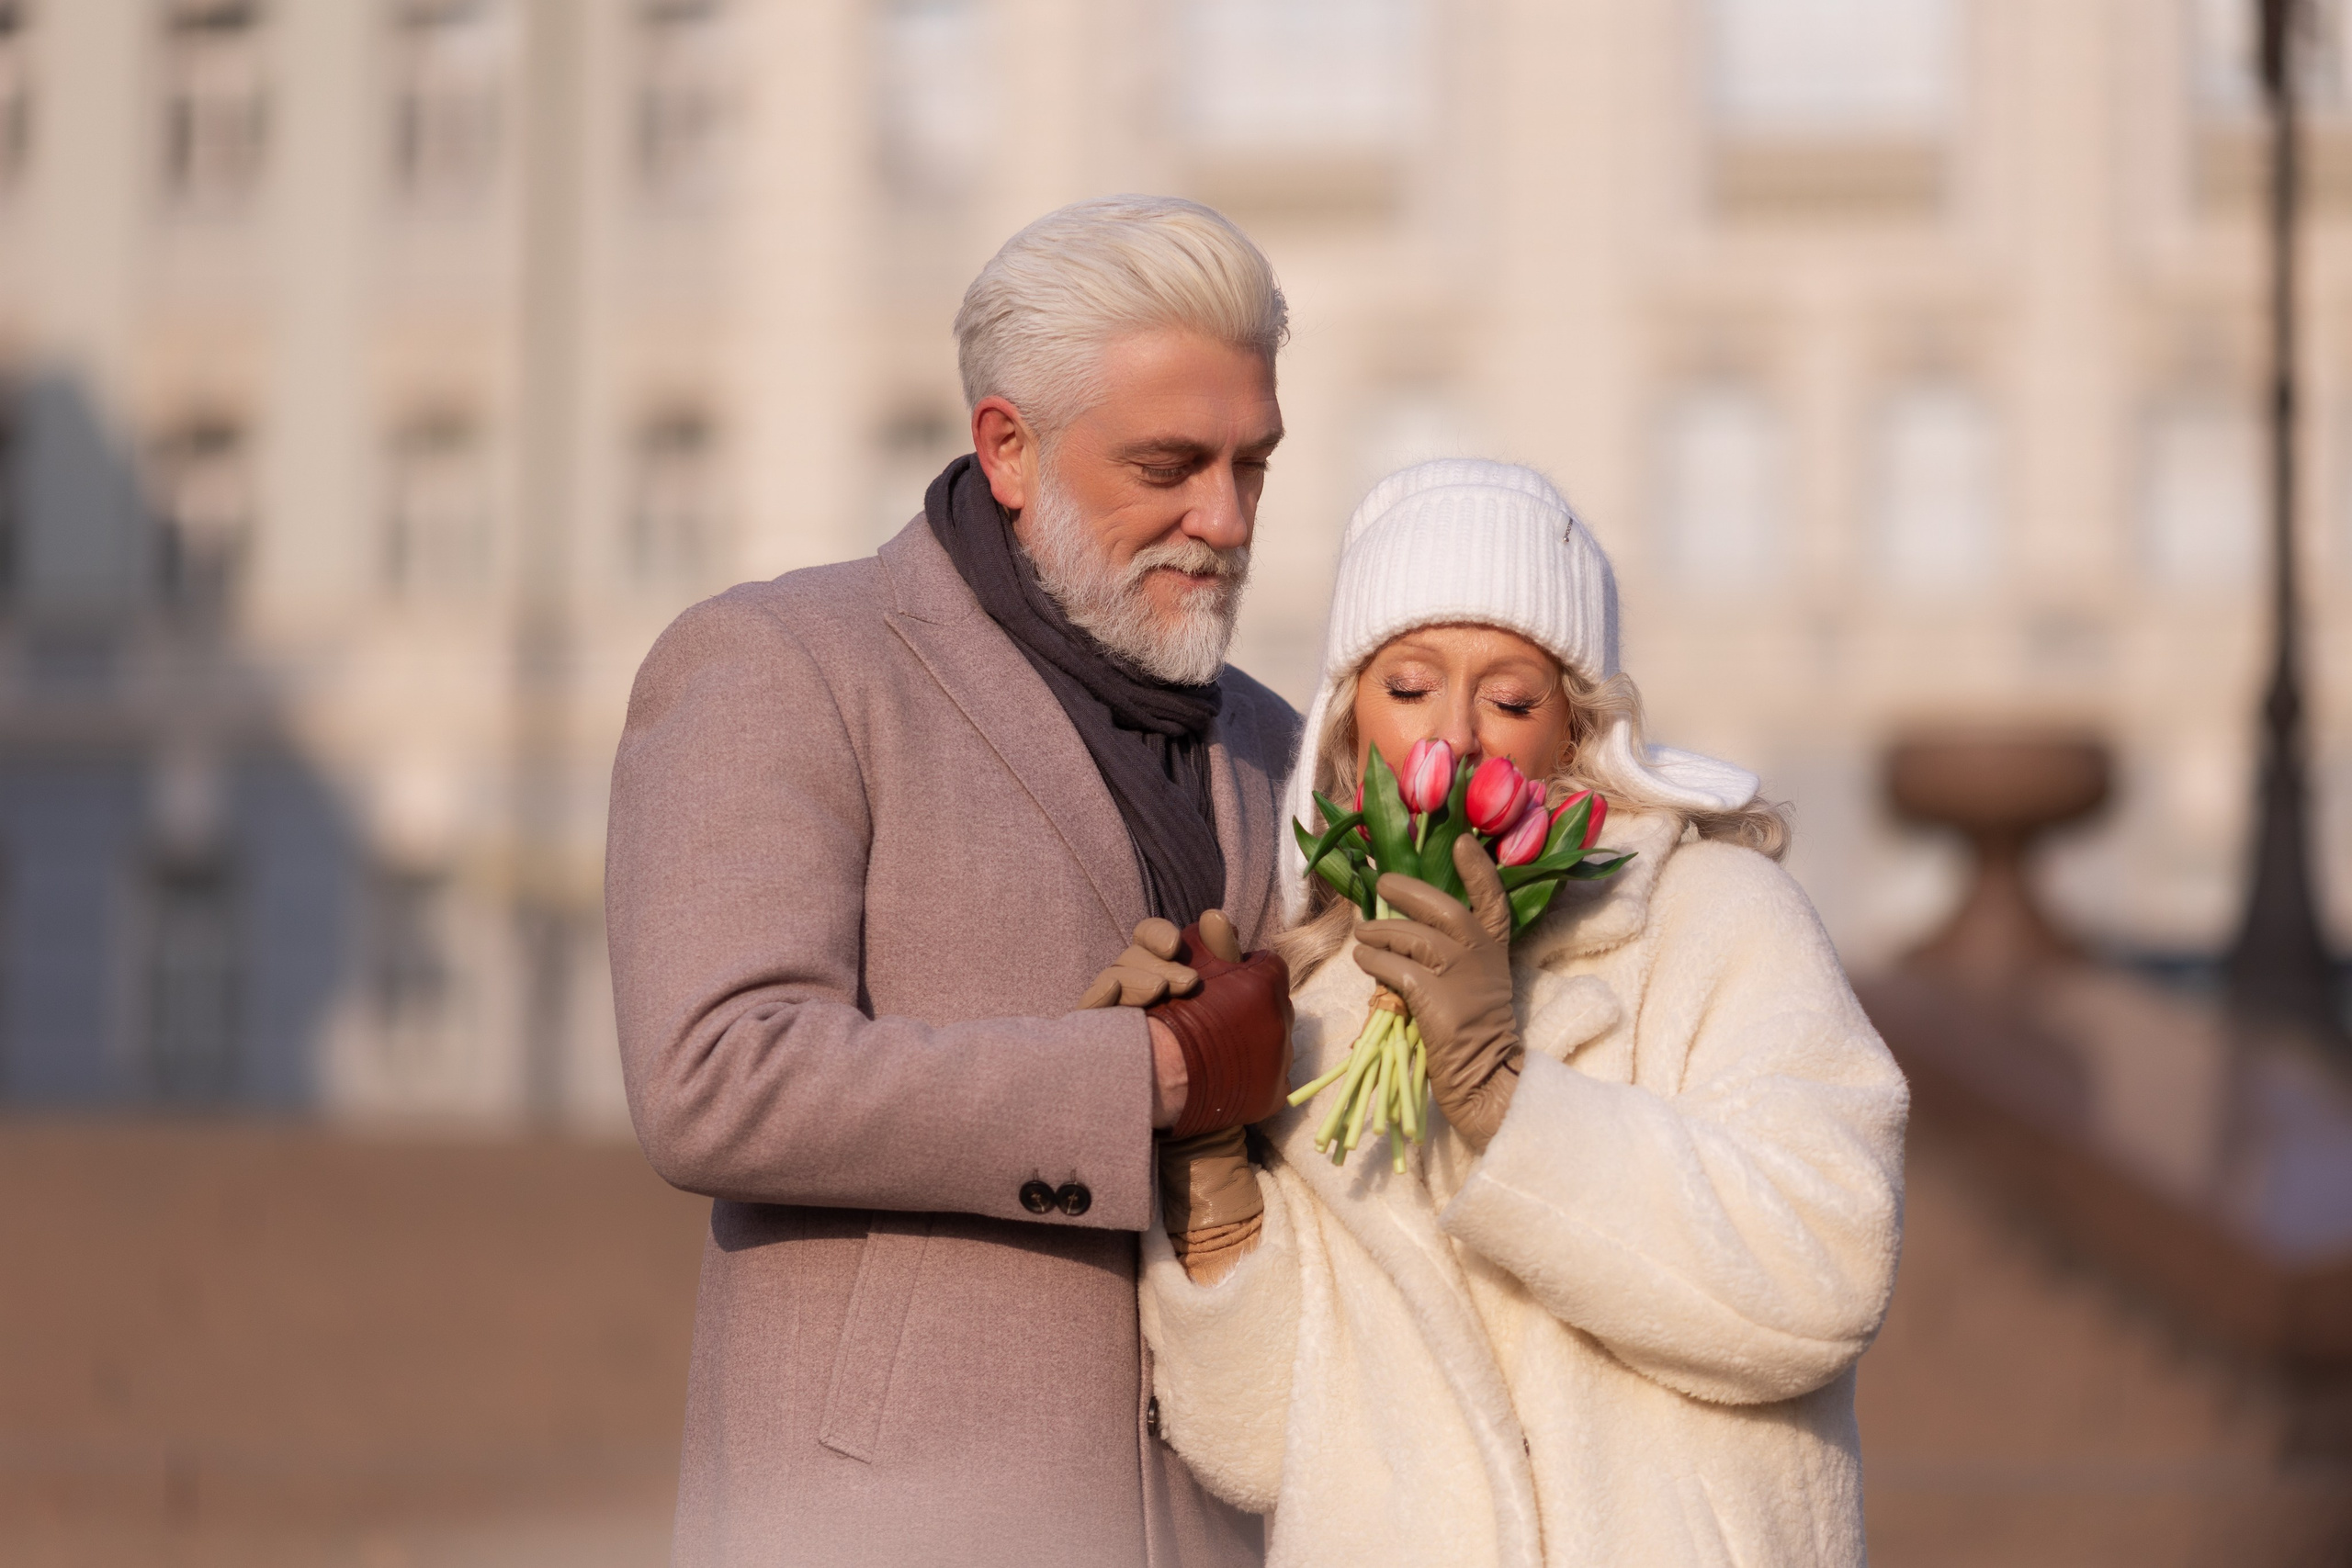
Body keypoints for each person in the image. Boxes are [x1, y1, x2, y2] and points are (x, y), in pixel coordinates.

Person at [605, 196, 1303, 1567]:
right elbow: (714, 1076)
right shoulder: (783, 664)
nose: (1223, 519)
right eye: (1170, 463)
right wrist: (1148, 1077)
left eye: (1253, 466)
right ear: (1007, 448)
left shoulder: (1280, 741)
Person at [1135, 459, 1909, 1567]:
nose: (1455, 734)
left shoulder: (1713, 920)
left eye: (1508, 697)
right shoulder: (1314, 999)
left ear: (1570, 731)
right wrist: (1208, 1170)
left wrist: (1505, 1097)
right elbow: (1257, 1450)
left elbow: (1820, 1278)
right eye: (1407, 688)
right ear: (1350, 726)